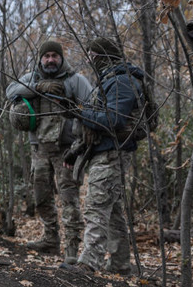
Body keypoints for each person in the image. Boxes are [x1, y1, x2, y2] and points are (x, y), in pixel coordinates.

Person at [60, 37, 148, 275]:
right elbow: (98, 122)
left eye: (93, 55)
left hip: (113, 154)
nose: (91, 60)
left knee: (96, 207)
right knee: (113, 213)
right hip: (104, 152)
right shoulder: (110, 80)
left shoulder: (121, 81)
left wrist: (80, 112)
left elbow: (113, 120)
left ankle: (88, 263)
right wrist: (77, 149)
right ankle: (120, 264)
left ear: (103, 57)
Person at [6, 39, 92, 264]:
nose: (51, 59)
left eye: (55, 55)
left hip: (67, 152)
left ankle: (72, 248)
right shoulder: (32, 78)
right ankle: (50, 239)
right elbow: (10, 91)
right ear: (41, 59)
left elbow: (93, 106)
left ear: (61, 58)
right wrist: (37, 88)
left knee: (69, 199)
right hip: (39, 151)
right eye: (47, 56)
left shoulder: (75, 80)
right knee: (41, 197)